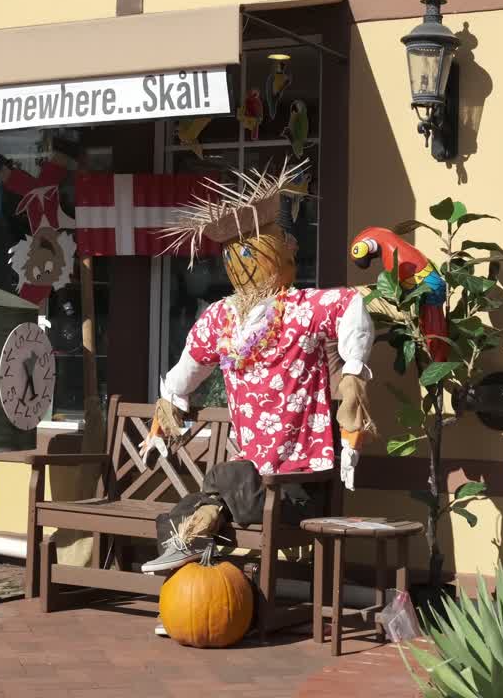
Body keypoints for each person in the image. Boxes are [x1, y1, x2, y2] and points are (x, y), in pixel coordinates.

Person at [138, 161, 378, 591]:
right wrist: (164, 416)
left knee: (223, 483)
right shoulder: (221, 319)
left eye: (250, 252)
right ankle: (191, 586)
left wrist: (352, 376)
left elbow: (351, 306)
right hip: (248, 480)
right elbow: (183, 374)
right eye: (235, 254)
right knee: (218, 489)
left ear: (281, 250)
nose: (242, 262)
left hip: (298, 477)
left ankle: (199, 531)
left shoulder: (302, 309)